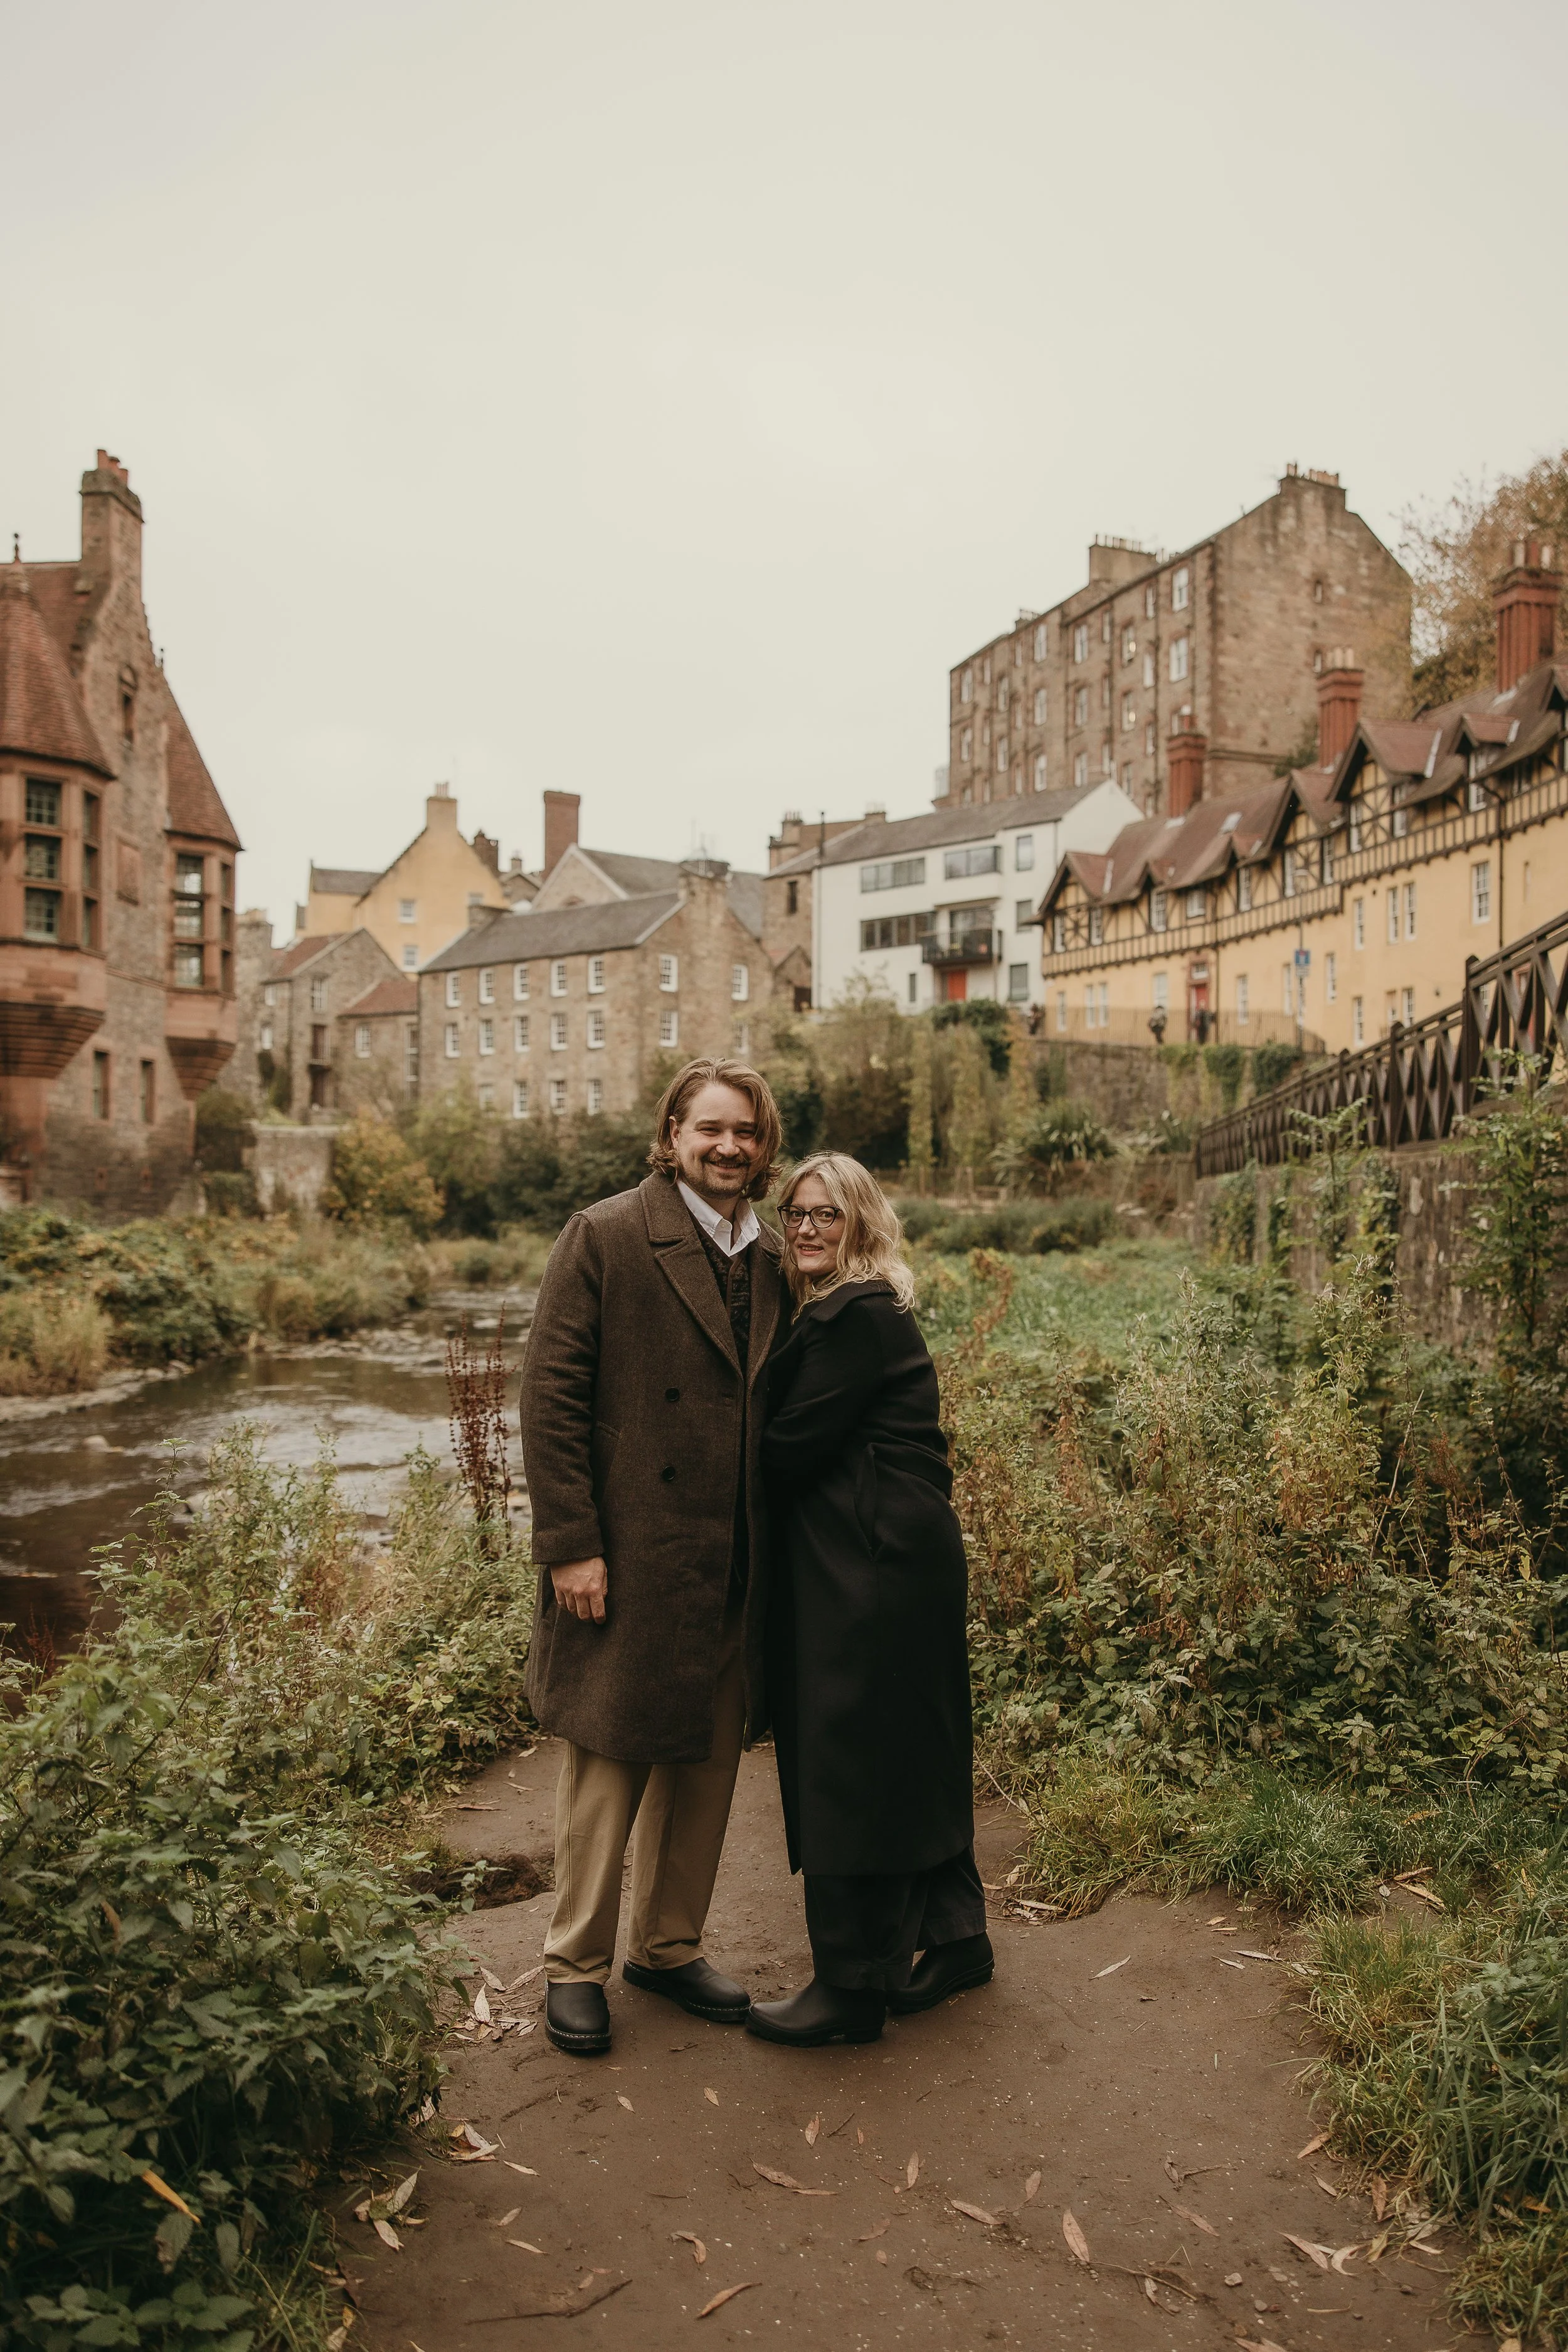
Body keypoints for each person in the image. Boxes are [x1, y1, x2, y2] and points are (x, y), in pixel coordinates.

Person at [519, 1058, 785, 2055]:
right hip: (628, 1553)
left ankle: (668, 1948)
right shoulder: (605, 1233)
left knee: (708, 1763)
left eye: (747, 1133)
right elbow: (549, 1400)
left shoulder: (769, 1259)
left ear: (764, 1149)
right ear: (670, 1133)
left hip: (730, 1557)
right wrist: (572, 1547)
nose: (729, 1148)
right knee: (609, 1759)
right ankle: (574, 1963)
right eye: (710, 1128)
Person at [747, 1152, 992, 2049]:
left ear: (863, 1224)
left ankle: (852, 1987)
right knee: (914, 1741)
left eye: (828, 1215)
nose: (807, 1229)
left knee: (844, 1750)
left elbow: (785, 1447)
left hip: (870, 1563)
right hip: (897, 1552)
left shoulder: (850, 1315)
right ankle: (958, 1938)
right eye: (795, 1214)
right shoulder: (872, 1306)